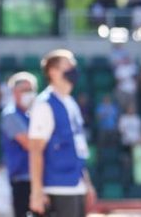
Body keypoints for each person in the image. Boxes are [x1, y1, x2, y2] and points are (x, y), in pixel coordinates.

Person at [28, 49, 96, 217]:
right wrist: (36, 192)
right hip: (56, 187)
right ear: (53, 72)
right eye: (68, 65)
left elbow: (78, 146)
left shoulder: (71, 103)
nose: (73, 69)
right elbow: (35, 150)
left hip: (76, 184)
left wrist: (86, 182)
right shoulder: (44, 104)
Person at [0, 71, 38, 217]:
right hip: (22, 178)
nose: (29, 94)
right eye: (24, 90)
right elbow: (29, 144)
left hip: (38, 177)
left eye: (31, 90)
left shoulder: (33, 114)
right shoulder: (11, 115)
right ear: (14, 92)